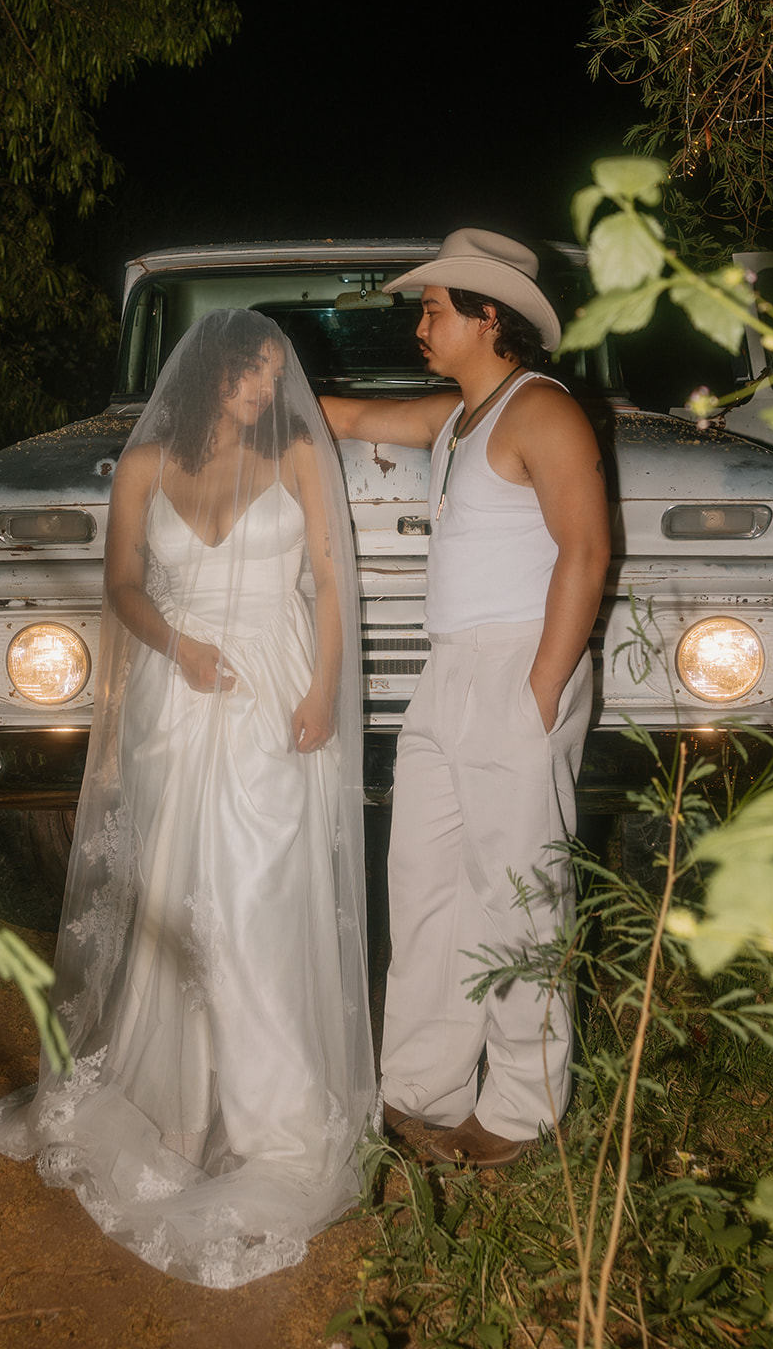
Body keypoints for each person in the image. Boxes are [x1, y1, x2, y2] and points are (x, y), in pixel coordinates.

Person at [0, 310, 375, 1288]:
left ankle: (272, 1111)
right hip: (173, 696)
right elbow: (121, 584)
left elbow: (328, 578)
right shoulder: (145, 464)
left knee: (252, 894)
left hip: (272, 689)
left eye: (274, 375)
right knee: (171, 887)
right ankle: (176, 1102)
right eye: (250, 373)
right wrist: (175, 644)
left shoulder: (296, 462)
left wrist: (321, 689)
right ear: (207, 375)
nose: (265, 391)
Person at [321, 229, 611, 1168]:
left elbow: (586, 553)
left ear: (489, 317)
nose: (419, 325)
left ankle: (523, 1112)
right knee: (426, 882)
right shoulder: (458, 418)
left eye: (433, 309)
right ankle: (422, 1087)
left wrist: (538, 690)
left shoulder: (543, 413)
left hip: (518, 667)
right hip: (445, 673)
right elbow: (358, 417)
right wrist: (255, 395)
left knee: (519, 893)